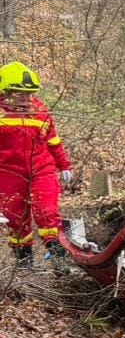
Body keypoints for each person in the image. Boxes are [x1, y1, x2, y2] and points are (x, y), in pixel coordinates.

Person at [0, 61, 72, 266]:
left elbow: (53, 141)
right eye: (21, 93)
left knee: (46, 210)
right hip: (8, 172)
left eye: (30, 93)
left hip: (42, 168)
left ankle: (59, 257)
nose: (27, 98)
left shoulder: (40, 111)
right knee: (15, 216)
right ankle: (24, 260)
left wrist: (64, 165)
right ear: (5, 91)